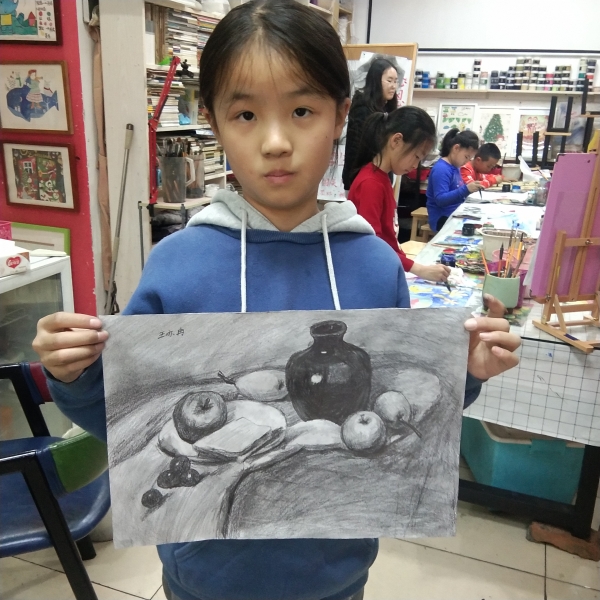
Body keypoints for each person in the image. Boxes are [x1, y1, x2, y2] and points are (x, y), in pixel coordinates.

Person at [32, 2, 521, 600]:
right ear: (213, 122)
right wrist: (75, 373)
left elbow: (401, 407)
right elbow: (121, 418)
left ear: (341, 115)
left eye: (301, 111)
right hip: (203, 580)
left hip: (337, 576)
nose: (275, 142)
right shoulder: (177, 265)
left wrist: (463, 370)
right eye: (245, 114)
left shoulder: (374, 267)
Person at [348, 106, 450, 283]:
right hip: (369, 275)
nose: (416, 166)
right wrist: (419, 269)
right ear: (396, 141)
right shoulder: (370, 183)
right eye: (416, 156)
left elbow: (388, 239)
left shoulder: (382, 178)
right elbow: (372, 246)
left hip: (384, 266)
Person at [341, 57, 398, 191]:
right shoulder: (362, 108)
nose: (393, 86)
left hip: (380, 178)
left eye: (395, 81)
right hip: (363, 181)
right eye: (389, 80)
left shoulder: (387, 109)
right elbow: (355, 149)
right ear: (376, 80)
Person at [426, 128, 483, 233]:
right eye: (466, 157)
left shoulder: (455, 166)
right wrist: (466, 189)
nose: (467, 161)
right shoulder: (441, 169)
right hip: (441, 218)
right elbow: (440, 200)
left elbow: (456, 192)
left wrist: (469, 190)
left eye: (469, 159)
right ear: (456, 148)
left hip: (454, 213)